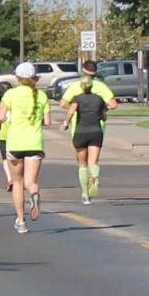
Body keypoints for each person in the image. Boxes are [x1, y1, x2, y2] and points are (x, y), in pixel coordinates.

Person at [1, 63, 50, 232]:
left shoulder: (10, 94)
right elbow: (48, 121)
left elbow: (1, 116)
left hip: (15, 142)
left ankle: (21, 222)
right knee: (30, 182)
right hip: (34, 143)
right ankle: (34, 193)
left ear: (17, 77)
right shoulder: (42, 96)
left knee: (17, 182)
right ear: (35, 77)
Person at [62, 60, 115, 202]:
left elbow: (64, 104)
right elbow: (112, 105)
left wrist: (68, 119)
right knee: (93, 161)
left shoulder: (75, 89)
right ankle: (95, 176)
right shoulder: (101, 89)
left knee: (82, 163)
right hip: (97, 129)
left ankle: (85, 195)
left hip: (79, 130)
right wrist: (101, 110)